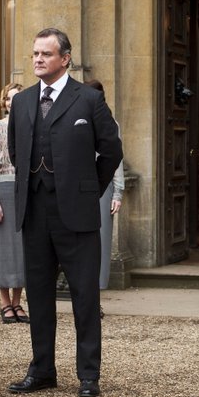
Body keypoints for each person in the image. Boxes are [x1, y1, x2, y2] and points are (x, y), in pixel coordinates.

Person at [7, 28, 123, 397]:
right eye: (35, 53)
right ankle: (42, 370)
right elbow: (14, 150)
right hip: (34, 213)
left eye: (46, 54)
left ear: (65, 59)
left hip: (77, 214)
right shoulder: (23, 102)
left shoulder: (88, 100)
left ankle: (88, 375)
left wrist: (89, 190)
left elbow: (111, 151)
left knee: (84, 297)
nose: (38, 59)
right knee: (38, 297)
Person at [0, 82, 29, 324]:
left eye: (17, 98)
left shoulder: (30, 127)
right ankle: (5, 303)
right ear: (4, 102)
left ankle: (17, 302)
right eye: (9, 99)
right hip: (2, 189)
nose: (13, 103)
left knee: (23, 247)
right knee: (4, 248)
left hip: (24, 190)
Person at [84, 79, 125, 300]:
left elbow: (115, 160)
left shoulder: (110, 123)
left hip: (102, 185)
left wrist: (118, 193)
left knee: (100, 240)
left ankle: (96, 294)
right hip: (76, 185)